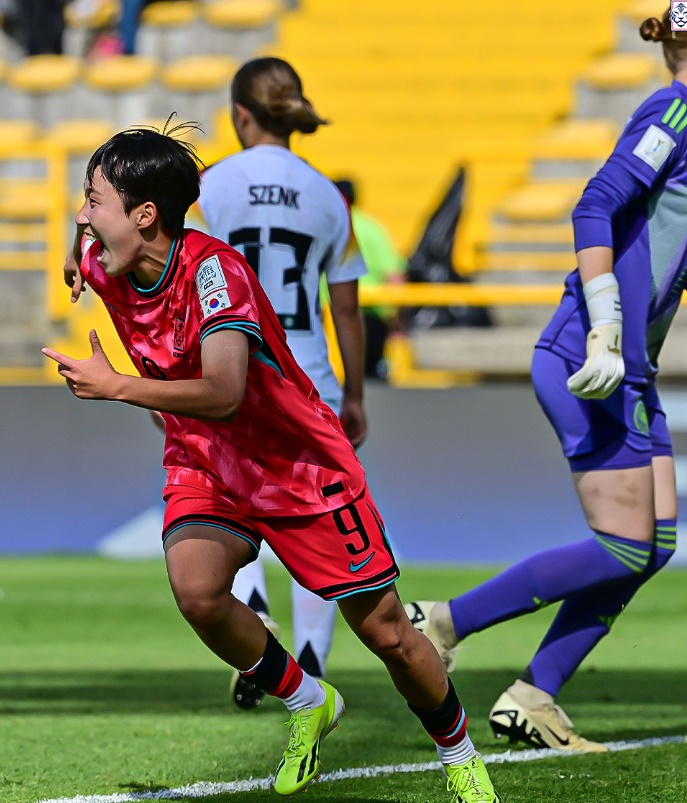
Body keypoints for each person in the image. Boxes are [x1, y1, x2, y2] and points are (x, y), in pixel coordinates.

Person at [45, 125, 501, 802]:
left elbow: (225, 393)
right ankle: (307, 698)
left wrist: (118, 385)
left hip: (295, 463)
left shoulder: (213, 273)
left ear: (145, 215)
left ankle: (459, 754)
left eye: (95, 199)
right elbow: (77, 243)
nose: (84, 213)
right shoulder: (101, 252)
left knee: (387, 634)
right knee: (197, 591)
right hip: (205, 458)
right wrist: (73, 249)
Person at [406, 1, 687, 753]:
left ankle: (533, 695)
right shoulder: (668, 114)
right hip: (589, 359)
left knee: (652, 545)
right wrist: (602, 322)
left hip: (630, 368)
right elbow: (593, 203)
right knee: (626, 547)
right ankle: (442, 622)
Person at [195, 57, 368, 709]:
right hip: (306, 377)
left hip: (231, 371)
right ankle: (316, 647)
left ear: (241, 114)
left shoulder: (209, 186)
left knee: (230, 503)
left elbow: (191, 290)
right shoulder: (328, 193)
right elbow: (344, 309)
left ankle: (251, 607)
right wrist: (353, 392)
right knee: (313, 515)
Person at [334, 178, 406, 380]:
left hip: (331, 314)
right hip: (373, 313)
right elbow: (394, 276)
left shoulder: (328, 228)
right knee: (371, 378)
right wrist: (396, 317)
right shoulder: (373, 228)